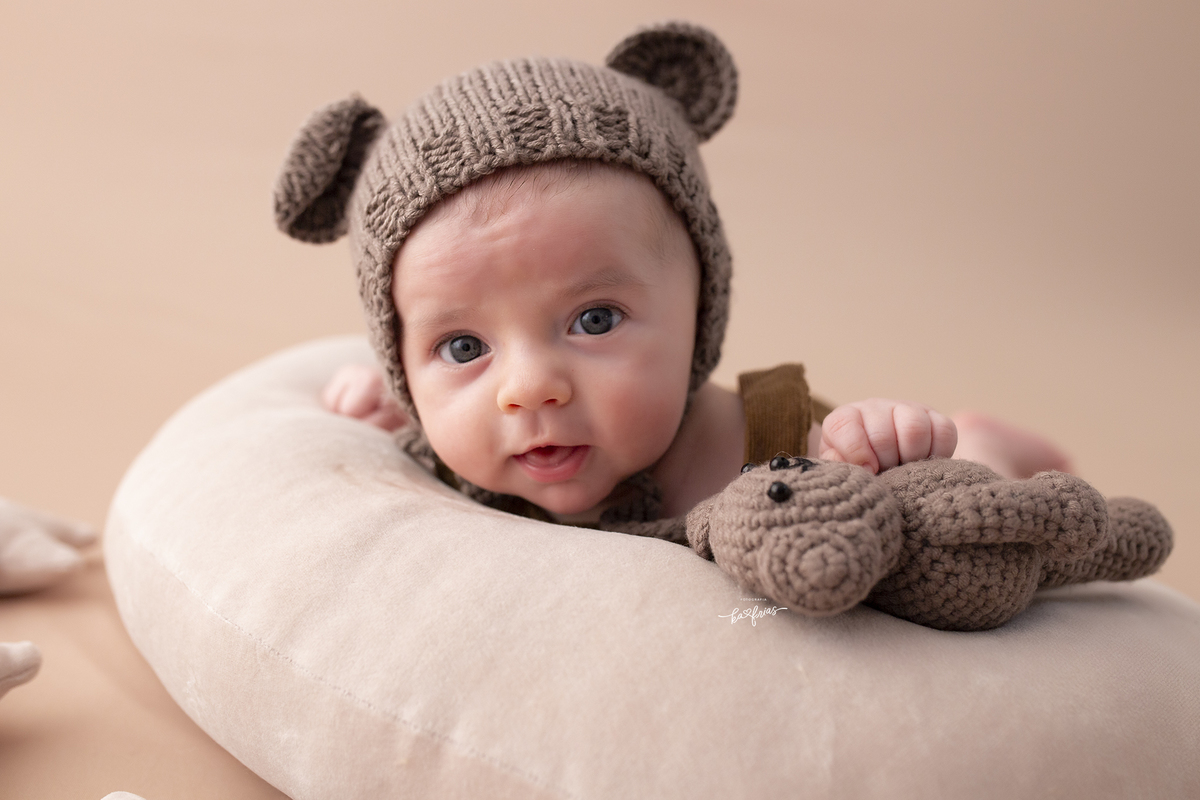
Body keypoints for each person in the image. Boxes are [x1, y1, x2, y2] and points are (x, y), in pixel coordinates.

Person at [276, 22, 1069, 528]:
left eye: (593, 319)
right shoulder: (443, 448)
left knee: (959, 498)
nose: (528, 389)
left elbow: (896, 520)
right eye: (460, 348)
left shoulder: (784, 442)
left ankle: (989, 440)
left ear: (702, 311)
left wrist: (886, 454)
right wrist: (387, 410)